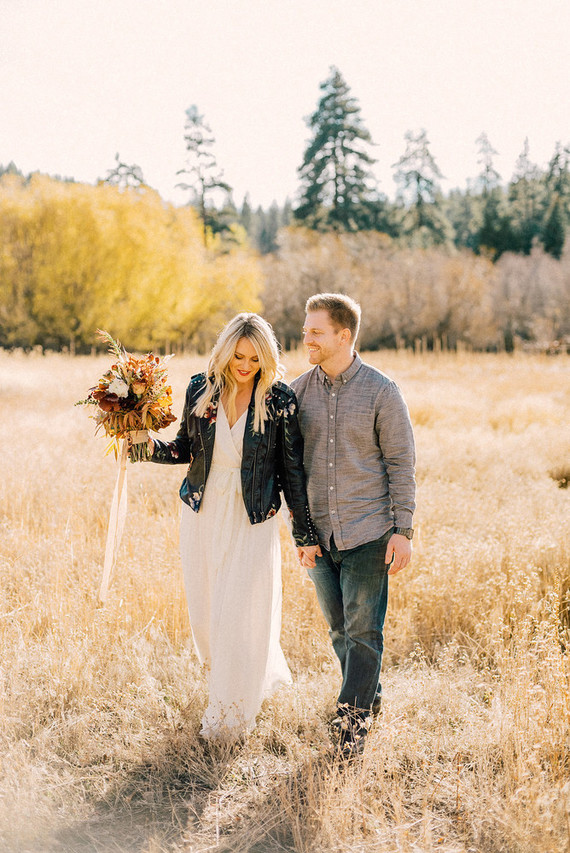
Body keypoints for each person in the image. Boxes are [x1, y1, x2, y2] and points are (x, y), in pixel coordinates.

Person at [148, 313, 319, 741]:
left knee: (241, 613)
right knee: (207, 615)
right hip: (202, 512)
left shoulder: (279, 399)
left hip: (253, 516)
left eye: (254, 358)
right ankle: (237, 682)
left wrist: (305, 535)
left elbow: (291, 472)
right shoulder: (200, 388)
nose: (245, 366)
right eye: (238, 356)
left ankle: (229, 718)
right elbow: (184, 449)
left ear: (267, 358)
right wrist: (142, 447)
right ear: (225, 352)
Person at [292, 293, 416, 758]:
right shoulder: (298, 392)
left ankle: (350, 727)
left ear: (344, 336)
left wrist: (403, 529)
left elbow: (401, 461)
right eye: (306, 330)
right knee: (340, 631)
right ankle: (370, 697)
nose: (306, 338)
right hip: (319, 537)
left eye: (315, 331)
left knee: (364, 630)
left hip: (369, 533)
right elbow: (291, 471)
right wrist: (300, 535)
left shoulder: (383, 391)